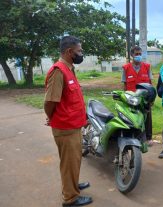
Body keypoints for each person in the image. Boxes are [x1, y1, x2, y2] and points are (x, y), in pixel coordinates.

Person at [44, 36, 93, 206]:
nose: (81, 54)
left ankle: (72, 185)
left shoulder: (69, 69)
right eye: (79, 51)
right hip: (65, 127)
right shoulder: (58, 71)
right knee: (68, 163)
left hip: (73, 125)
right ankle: (70, 198)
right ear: (69, 52)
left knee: (74, 160)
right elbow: (50, 101)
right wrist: (52, 118)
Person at [121, 46, 154, 146]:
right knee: (131, 117)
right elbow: (124, 85)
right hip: (131, 98)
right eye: (136, 54)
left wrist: (151, 99)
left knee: (147, 117)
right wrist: (124, 98)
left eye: (140, 54)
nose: (139, 56)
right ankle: (131, 137)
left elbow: (150, 83)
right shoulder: (126, 68)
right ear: (132, 55)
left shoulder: (147, 67)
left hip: (144, 98)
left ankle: (148, 138)